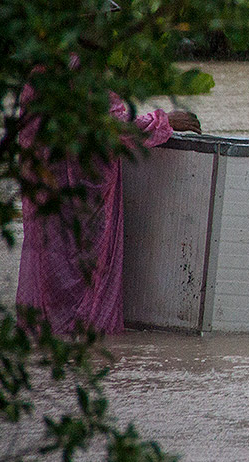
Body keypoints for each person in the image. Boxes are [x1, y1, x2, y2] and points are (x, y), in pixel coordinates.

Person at [17, 88, 201, 336]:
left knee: (52, 275)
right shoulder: (85, 69)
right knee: (85, 280)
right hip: (83, 198)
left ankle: (51, 343)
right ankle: (83, 341)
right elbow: (112, 130)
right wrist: (163, 121)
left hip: (45, 194)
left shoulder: (40, 73)